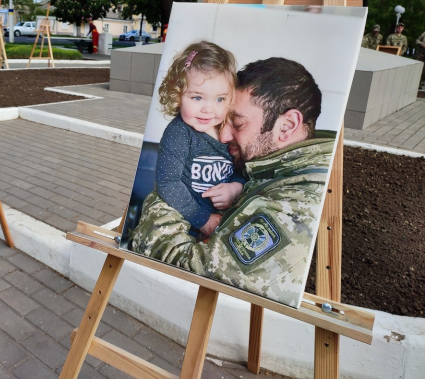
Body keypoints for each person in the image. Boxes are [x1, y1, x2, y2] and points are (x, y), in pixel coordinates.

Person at [131, 57, 333, 307]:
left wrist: (162, 199)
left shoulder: (297, 203)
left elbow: (187, 266)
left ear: (287, 126)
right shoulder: (271, 166)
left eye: (237, 123)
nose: (223, 135)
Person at [132, 41, 245, 242]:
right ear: (178, 95)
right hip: (183, 222)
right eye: (197, 98)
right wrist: (205, 221)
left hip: (220, 223)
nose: (208, 109)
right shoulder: (179, 133)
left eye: (220, 99)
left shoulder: (228, 129)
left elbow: (241, 168)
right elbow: (168, 184)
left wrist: (236, 187)